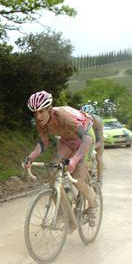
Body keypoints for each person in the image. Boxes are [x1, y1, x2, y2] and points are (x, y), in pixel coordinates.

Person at [23, 91, 99, 227]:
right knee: (52, 171)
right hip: (67, 141)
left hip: (86, 139)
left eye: (41, 112)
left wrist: (75, 160)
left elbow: (86, 139)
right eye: (35, 113)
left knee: (77, 178)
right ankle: (63, 209)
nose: (38, 116)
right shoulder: (41, 123)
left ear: (49, 109)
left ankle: (93, 204)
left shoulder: (64, 116)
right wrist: (30, 157)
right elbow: (43, 143)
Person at [80, 104, 104, 186]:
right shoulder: (79, 119)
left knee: (98, 156)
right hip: (88, 137)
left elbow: (100, 141)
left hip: (97, 138)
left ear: (92, 116)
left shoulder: (98, 122)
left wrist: (92, 148)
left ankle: (100, 179)